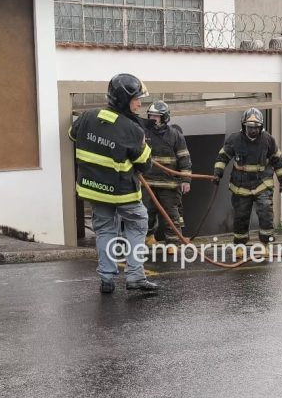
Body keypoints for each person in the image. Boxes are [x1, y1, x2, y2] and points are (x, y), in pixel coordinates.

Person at [68, 73, 160, 293]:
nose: (140, 103)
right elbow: (145, 164)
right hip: (122, 193)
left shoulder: (88, 116)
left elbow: (72, 136)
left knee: (105, 231)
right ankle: (135, 277)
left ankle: (106, 280)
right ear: (123, 100)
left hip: (94, 190)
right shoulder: (132, 130)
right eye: (136, 98)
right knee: (138, 224)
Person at [213, 107, 282, 254]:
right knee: (241, 216)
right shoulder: (234, 140)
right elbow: (222, 157)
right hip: (240, 185)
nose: (253, 130)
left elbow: (277, 161)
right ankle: (240, 246)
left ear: (261, 127)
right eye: (250, 127)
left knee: (266, 212)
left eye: (256, 127)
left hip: (262, 183)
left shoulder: (268, 140)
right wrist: (217, 173)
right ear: (244, 126)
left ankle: (265, 245)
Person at [141, 100, 192, 252]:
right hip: (147, 183)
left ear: (165, 118)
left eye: (156, 116)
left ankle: (173, 243)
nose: (153, 119)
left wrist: (186, 180)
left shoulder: (175, 135)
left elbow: (184, 158)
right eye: (151, 116)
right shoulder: (143, 133)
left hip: (169, 184)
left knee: (171, 215)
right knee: (146, 213)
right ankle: (148, 237)